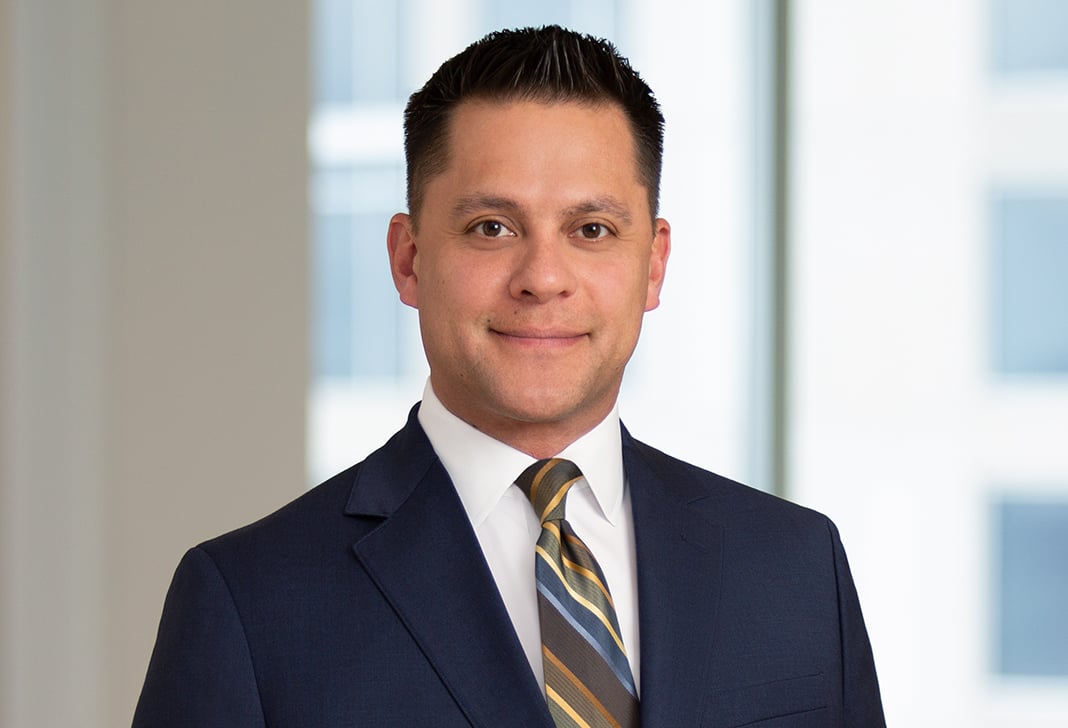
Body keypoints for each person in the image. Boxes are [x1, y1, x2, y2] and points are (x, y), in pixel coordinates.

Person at [134, 25, 885, 727]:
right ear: (409, 258)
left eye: (591, 230)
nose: (543, 277)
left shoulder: (796, 570)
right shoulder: (250, 603)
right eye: (491, 228)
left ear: (653, 264)